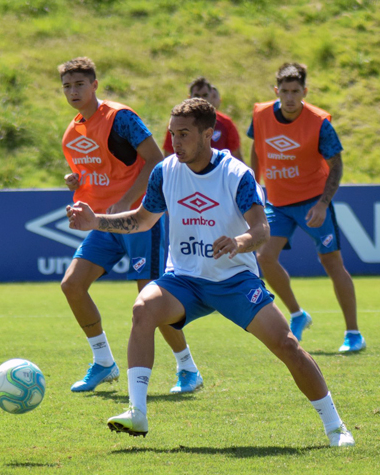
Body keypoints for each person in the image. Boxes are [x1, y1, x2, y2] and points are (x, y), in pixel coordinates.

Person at [67, 98, 355, 447]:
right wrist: (96, 220)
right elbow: (143, 219)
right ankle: (137, 413)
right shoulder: (165, 171)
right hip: (185, 280)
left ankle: (335, 427)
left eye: (184, 134)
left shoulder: (236, 174)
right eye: (173, 134)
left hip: (234, 279)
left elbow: (262, 230)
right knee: (143, 308)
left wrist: (239, 242)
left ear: (208, 134)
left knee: (287, 345)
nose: (175, 142)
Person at [58, 57, 203, 394]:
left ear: (94, 85)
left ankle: (188, 369)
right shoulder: (72, 132)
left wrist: (127, 201)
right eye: (67, 86)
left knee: (149, 298)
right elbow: (100, 171)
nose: (73, 91)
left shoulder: (120, 118)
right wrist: (75, 181)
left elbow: (156, 160)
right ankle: (104, 363)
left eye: (80, 84)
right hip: (104, 223)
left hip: (139, 220)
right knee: (72, 285)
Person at [248, 62, 365, 352]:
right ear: (276, 91)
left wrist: (323, 204)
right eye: (284, 91)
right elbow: (256, 147)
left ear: (305, 91)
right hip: (277, 202)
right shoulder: (261, 114)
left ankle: (353, 334)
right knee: (264, 257)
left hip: (312, 201)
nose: (289, 97)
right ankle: (298, 314)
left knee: (331, 263)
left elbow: (336, 166)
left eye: (295, 91)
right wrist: (254, 185)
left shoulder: (319, 122)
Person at [162, 77, 243, 162]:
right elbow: (168, 156)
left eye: (205, 95)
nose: (201, 99)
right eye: (197, 95)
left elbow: (237, 158)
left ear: (211, 96)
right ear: (189, 98)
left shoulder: (226, 123)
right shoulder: (178, 123)